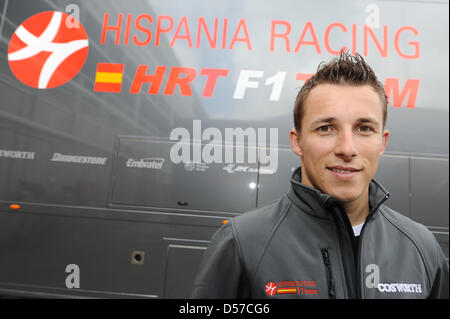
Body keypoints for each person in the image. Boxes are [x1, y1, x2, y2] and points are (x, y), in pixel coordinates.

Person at [191, 51, 449, 299]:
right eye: (326, 128)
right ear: (297, 141)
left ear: (382, 142)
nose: (347, 148)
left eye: (364, 128)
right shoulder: (241, 243)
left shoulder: (422, 248)